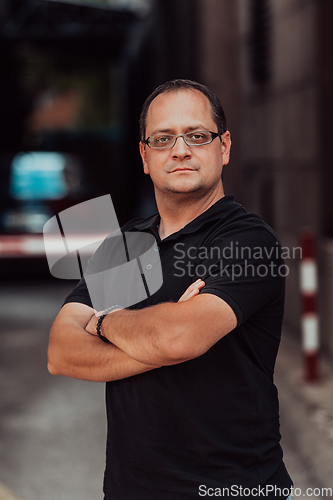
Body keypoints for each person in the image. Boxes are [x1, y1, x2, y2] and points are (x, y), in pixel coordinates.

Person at [48, 79, 293, 499]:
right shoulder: (125, 246)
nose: (180, 150)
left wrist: (104, 321)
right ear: (145, 156)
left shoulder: (248, 241)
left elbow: (178, 339)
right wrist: (155, 341)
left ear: (224, 146)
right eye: (163, 139)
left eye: (197, 136)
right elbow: (61, 352)